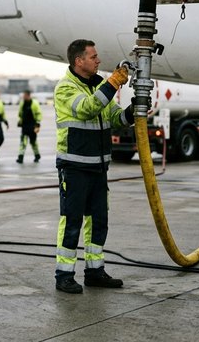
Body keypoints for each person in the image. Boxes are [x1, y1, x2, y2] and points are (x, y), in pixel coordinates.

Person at [53, 39, 134, 294]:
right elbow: (88, 109)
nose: (99, 61)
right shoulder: (65, 89)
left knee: (98, 221)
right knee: (72, 221)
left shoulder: (98, 86)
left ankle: (94, 271)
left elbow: (114, 117)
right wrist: (113, 83)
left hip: (99, 167)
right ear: (79, 61)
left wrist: (132, 113)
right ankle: (64, 275)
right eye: (94, 57)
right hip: (75, 167)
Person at [16, 90, 42, 163]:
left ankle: (37, 155)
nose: (23, 97)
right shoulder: (22, 103)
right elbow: (20, 113)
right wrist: (20, 121)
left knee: (33, 142)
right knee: (23, 142)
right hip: (24, 126)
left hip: (32, 126)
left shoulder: (34, 103)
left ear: (28, 95)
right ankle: (20, 157)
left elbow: (39, 114)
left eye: (25, 95)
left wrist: (38, 124)